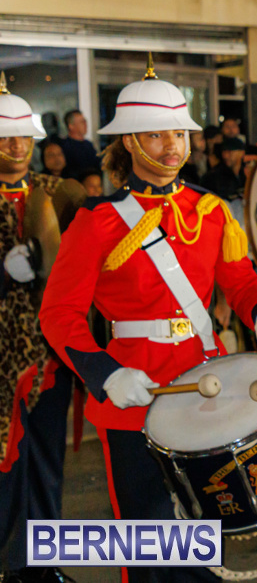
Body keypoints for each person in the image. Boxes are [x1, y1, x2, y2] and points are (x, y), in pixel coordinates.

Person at [39, 61, 257, 583]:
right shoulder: (96, 220)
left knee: (205, 536)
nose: (173, 145)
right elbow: (58, 315)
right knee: (150, 545)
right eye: (157, 133)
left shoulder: (212, 211)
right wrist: (104, 374)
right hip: (137, 391)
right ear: (129, 142)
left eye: (179, 132)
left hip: (205, 386)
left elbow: (239, 282)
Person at [0, 74, 78, 583]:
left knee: (47, 461)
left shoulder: (59, 192)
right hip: (2, 362)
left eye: (24, 136)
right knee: (5, 468)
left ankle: (42, 565)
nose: (17, 146)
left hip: (51, 353)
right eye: (6, 138)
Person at [200, 136, 247, 202]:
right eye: (224, 152)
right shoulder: (213, 177)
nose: (225, 156)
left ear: (242, 153)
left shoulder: (247, 173)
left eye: (230, 152)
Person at [58, 109, 101, 179]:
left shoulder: (89, 145)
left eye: (85, 121)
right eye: (82, 122)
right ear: (71, 126)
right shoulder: (65, 147)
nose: (85, 124)